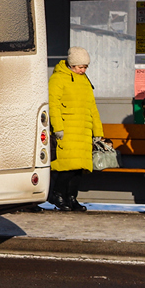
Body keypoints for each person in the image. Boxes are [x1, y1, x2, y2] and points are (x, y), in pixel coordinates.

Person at [47, 46, 103, 211]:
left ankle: (71, 198)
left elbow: (92, 108)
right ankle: (58, 194)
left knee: (79, 169)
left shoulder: (85, 80)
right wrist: (58, 128)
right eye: (80, 66)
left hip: (83, 131)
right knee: (68, 168)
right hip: (67, 130)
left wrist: (98, 132)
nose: (83, 70)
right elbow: (53, 105)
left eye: (85, 67)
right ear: (71, 64)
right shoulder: (58, 79)